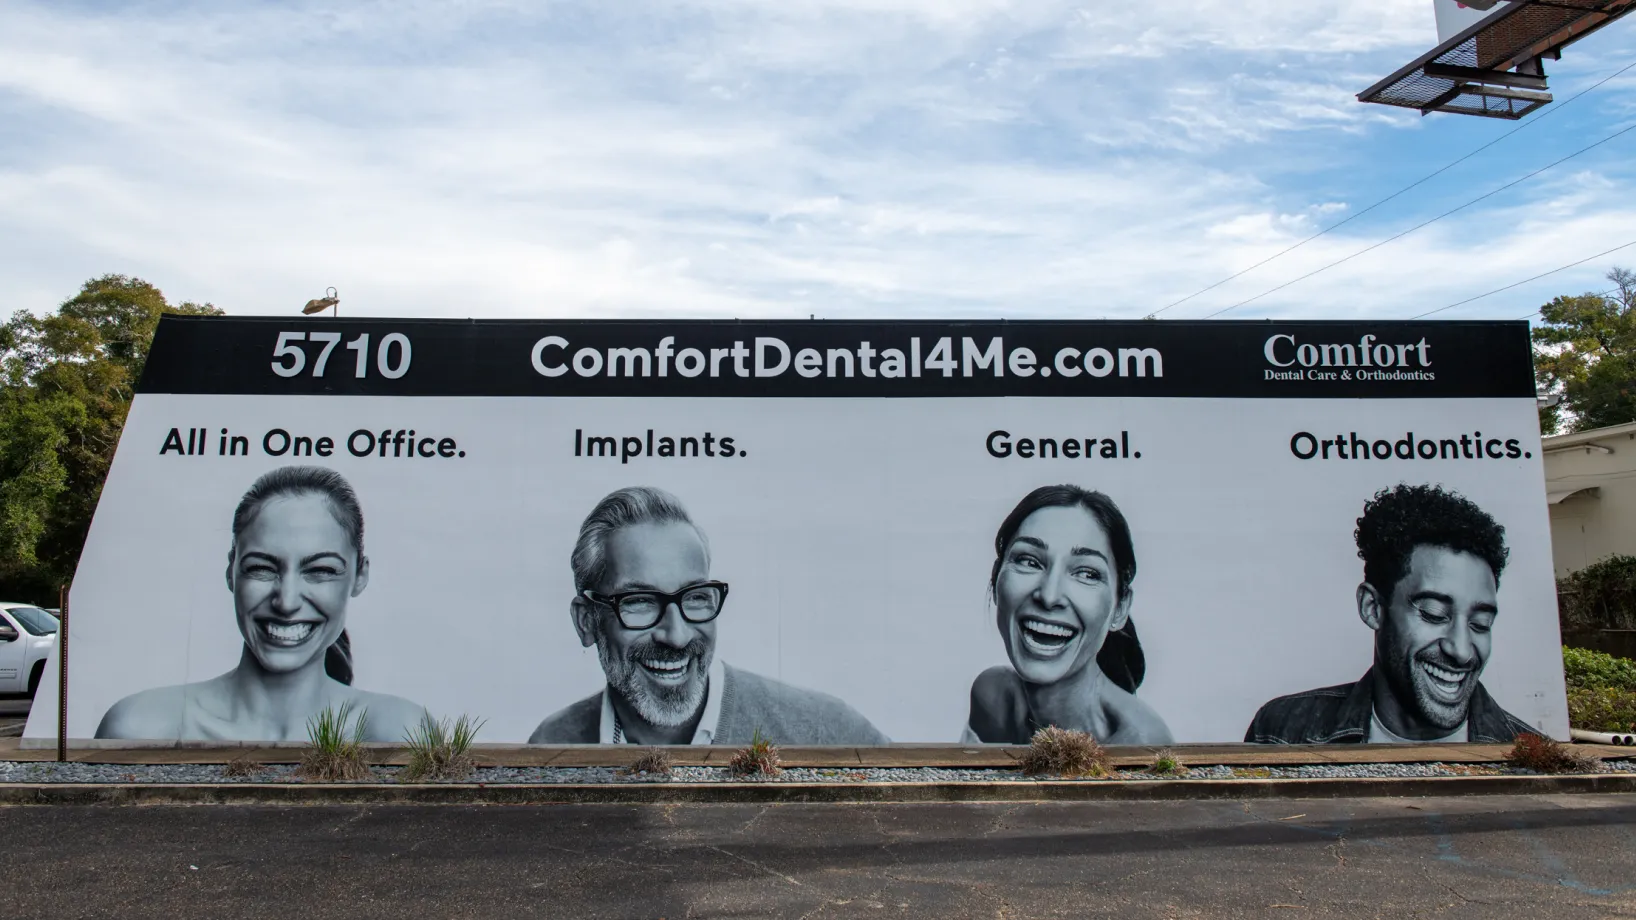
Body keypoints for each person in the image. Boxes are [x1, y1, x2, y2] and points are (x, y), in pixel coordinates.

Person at [530, 486, 889, 745]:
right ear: (587, 621)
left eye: (695, 597)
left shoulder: (825, 732)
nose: (677, 635)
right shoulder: (553, 742)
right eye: (639, 601)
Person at [97, 466, 426, 742]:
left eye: (321, 570)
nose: (286, 601)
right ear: (231, 571)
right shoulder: (142, 726)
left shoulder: (398, 729)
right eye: (261, 568)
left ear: (359, 576)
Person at [1245, 483, 1534, 744]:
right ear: (1373, 608)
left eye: (1480, 624)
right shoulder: (1282, 731)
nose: (1461, 650)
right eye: (1434, 614)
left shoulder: (1529, 754)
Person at [964, 485, 1172, 744]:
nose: (1049, 597)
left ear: (1120, 608)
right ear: (995, 581)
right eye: (1029, 561)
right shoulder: (994, 695)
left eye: (1086, 573)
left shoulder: (1139, 740)